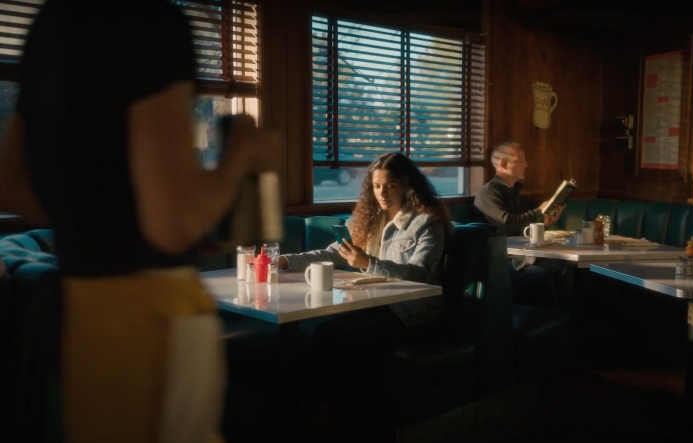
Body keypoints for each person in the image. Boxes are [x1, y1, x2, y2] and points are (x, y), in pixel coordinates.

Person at [0, 1, 280, 442]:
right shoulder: (152, 22)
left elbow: (12, 184)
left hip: (84, 311)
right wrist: (243, 151)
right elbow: (172, 225)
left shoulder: (50, 25)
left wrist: (109, 225)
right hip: (157, 313)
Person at [278, 152, 451, 425]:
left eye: (391, 185)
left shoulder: (426, 221)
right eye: (377, 186)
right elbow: (333, 253)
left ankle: (341, 419)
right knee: (323, 334)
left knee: (350, 342)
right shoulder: (367, 219)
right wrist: (287, 261)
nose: (382, 193)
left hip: (414, 312)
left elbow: (419, 274)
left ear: (407, 186)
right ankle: (317, 410)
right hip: (377, 303)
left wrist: (368, 263)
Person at [473, 140, 565, 308]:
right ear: (503, 163)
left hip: (523, 254)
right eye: (521, 160)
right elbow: (506, 224)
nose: (526, 165)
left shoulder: (516, 194)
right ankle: (554, 318)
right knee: (543, 275)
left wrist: (545, 223)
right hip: (502, 259)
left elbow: (523, 230)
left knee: (566, 267)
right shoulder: (487, 192)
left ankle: (568, 318)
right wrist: (538, 212)